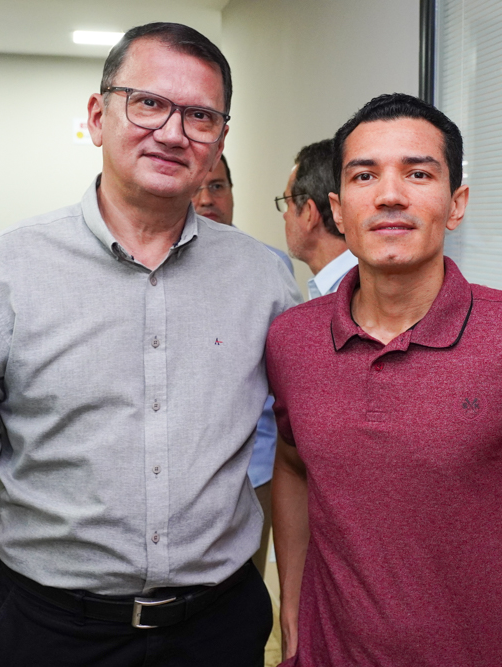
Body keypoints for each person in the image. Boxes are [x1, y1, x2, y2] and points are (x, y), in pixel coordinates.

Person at [0, 23, 300, 667]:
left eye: (200, 116)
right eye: (148, 103)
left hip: (219, 629)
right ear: (97, 116)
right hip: (51, 633)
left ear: (220, 140)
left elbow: (302, 450)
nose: (173, 132)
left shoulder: (266, 280)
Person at [267, 94, 502, 667]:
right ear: (338, 211)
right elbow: (294, 465)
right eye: (365, 175)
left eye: (418, 173)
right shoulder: (292, 339)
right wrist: (293, 612)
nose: (390, 194)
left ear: (456, 203)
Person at [191, 154, 292, 575]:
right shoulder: (155, 272)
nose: (206, 199)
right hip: (184, 478)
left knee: (244, 591)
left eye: (217, 186)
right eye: (196, 188)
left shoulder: (270, 266)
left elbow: (287, 377)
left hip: (255, 470)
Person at [277, 139, 357, 299]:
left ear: (309, 212)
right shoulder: (331, 288)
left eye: (287, 202)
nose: (285, 215)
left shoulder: (356, 295)